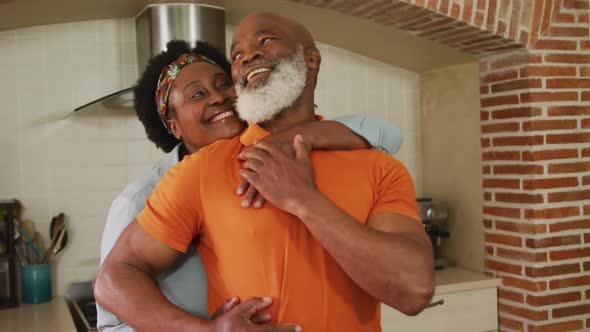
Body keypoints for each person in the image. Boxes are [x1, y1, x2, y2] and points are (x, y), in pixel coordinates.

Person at [95, 12, 435, 331]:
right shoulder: (200, 171)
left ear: (311, 59)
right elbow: (114, 279)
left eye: (265, 41)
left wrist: (304, 199)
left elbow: (414, 291)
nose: (247, 57)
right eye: (237, 54)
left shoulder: (379, 167)